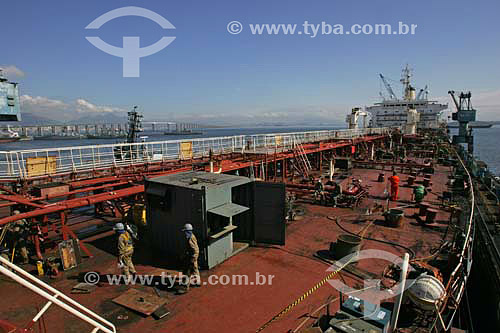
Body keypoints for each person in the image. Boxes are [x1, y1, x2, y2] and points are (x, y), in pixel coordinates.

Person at [182, 223, 200, 290]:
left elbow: (196, 249)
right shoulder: (190, 237)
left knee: (188, 271)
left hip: (192, 256)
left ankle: (186, 287)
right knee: (195, 269)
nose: (184, 233)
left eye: (185, 231)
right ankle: (198, 282)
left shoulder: (191, 238)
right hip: (192, 256)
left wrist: (193, 258)